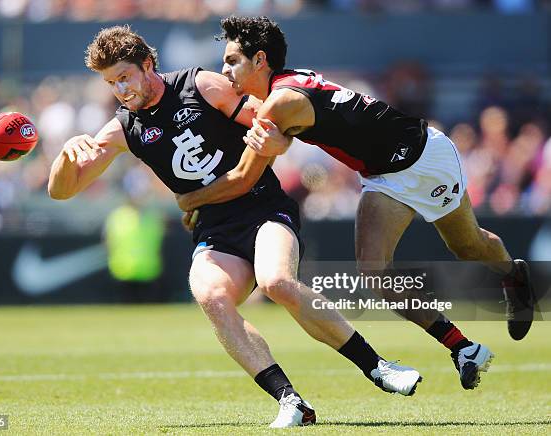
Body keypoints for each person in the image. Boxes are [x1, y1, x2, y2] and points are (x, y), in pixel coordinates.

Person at [47, 25, 422, 428]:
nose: (120, 89)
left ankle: (379, 366)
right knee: (209, 294)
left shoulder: (201, 85)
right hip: (214, 228)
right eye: (110, 82)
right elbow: (61, 191)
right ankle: (291, 401)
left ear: (147, 64)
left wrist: (274, 145)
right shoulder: (123, 128)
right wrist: (67, 158)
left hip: (262, 207)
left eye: (124, 76)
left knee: (276, 280)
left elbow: (273, 130)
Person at [175, 16, 536, 391]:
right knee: (374, 272)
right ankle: (462, 348)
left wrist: (189, 200)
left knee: (467, 245)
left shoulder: (279, 102)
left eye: (232, 60)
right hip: (382, 176)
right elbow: (286, 135)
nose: (225, 69)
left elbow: (244, 178)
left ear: (260, 60)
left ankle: (513, 273)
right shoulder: (283, 89)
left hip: (423, 158)